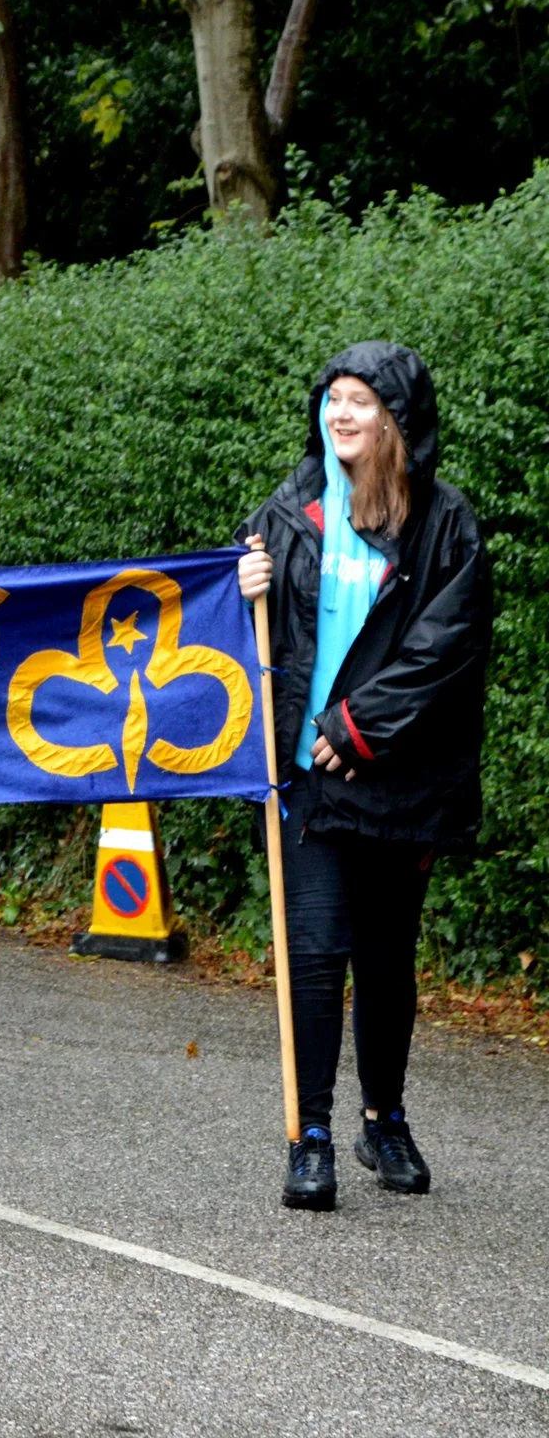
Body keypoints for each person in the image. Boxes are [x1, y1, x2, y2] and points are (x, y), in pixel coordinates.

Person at [236, 342, 491, 1212]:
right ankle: (308, 1137)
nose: (340, 414)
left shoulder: (444, 522)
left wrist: (359, 726)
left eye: (360, 401)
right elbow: (242, 632)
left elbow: (447, 646)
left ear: (397, 420)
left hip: (399, 777)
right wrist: (241, 584)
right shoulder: (291, 509)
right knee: (315, 953)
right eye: (333, 399)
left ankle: (384, 1121)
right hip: (308, 779)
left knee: (386, 960)